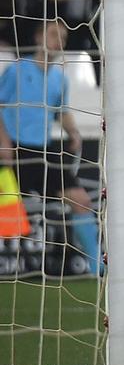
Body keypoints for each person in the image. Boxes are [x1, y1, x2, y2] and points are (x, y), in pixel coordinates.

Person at [0, 20, 91, 277]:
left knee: (82, 200)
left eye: (62, 37)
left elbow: (61, 111)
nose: (58, 41)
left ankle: (97, 267)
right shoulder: (17, 71)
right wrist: (4, 142)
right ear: (40, 37)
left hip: (44, 151)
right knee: (6, 210)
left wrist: (73, 132)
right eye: (53, 34)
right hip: (14, 150)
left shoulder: (60, 79)